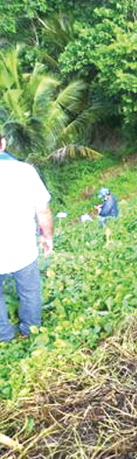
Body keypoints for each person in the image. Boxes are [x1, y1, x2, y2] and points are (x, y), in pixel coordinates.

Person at [0, 136, 53, 342]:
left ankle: (4, 336)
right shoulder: (25, 171)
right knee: (30, 293)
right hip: (23, 249)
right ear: (3, 143)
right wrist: (46, 237)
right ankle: (30, 332)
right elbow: (43, 210)